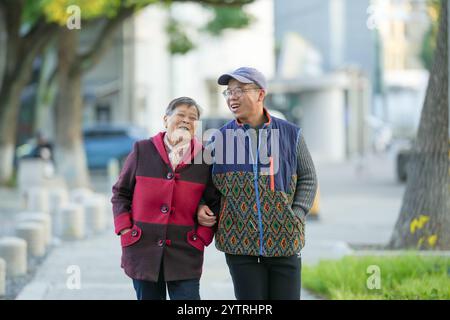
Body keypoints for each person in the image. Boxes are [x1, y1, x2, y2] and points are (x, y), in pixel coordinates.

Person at [197, 67, 318, 300]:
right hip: (238, 245)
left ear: (260, 94)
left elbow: (309, 177)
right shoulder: (219, 139)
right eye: (229, 92)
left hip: (285, 241)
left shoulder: (291, 135)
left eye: (240, 90)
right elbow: (200, 182)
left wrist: (297, 214)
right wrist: (201, 204)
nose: (232, 97)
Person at [111, 97, 219, 300]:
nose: (186, 121)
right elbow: (120, 193)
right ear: (165, 120)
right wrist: (125, 229)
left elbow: (215, 202)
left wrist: (202, 236)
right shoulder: (142, 150)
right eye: (180, 115)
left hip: (185, 251)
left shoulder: (204, 158)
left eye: (193, 118)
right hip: (143, 249)